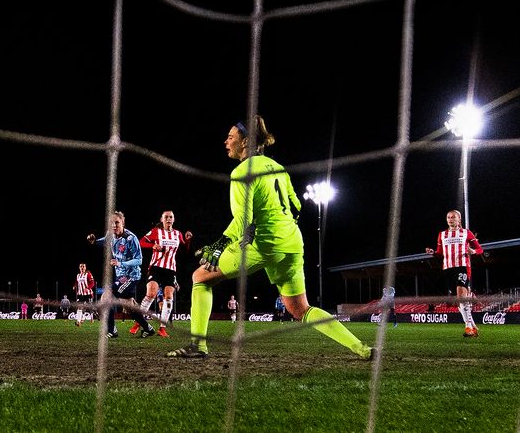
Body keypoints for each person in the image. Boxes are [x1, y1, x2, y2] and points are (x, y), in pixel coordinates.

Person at [167, 115, 373, 359]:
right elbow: (296, 206)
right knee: (300, 308)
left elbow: (244, 220)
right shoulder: (277, 168)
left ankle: (198, 346)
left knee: (200, 277)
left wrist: (220, 244)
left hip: (265, 243)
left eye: (231, 137)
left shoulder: (242, 172)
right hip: (292, 242)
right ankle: (361, 348)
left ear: (244, 143)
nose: (226, 141)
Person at [87, 211, 155, 338]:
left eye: (116, 222)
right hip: (121, 277)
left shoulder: (131, 238)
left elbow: (139, 260)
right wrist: (94, 241)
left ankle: (112, 330)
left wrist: (120, 263)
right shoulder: (111, 235)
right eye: (111, 223)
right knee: (130, 307)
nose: (114, 225)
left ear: (122, 223)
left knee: (107, 296)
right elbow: (105, 241)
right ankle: (148, 328)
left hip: (131, 276)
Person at [133, 210, 193, 338]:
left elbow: (184, 250)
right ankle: (139, 321)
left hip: (170, 270)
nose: (168, 219)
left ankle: (162, 328)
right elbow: (141, 242)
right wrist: (153, 246)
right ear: (162, 219)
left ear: (174, 219)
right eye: (166, 217)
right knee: (151, 294)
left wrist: (188, 240)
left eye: (171, 217)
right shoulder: (156, 232)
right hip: (155, 267)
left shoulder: (178, 234)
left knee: (169, 298)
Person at [425, 209, 483, 337]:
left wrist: (472, 251)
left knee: (461, 297)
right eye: (448, 217)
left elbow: (480, 249)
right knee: (460, 300)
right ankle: (473, 326)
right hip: (448, 268)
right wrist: (433, 252)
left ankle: (468, 328)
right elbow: (440, 252)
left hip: (462, 266)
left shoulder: (466, 233)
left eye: (453, 217)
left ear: (459, 219)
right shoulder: (442, 235)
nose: (450, 219)